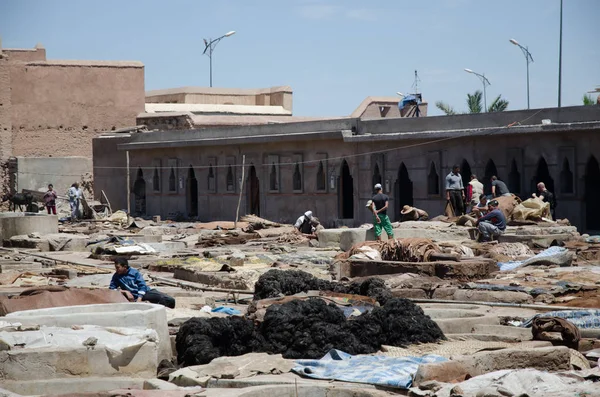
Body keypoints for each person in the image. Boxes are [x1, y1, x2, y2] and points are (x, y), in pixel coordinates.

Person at [110, 257, 175, 308]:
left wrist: (139, 298)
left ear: (125, 267)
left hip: (144, 293)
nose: (116, 270)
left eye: (118, 268)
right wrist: (125, 292)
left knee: (168, 299)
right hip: (131, 296)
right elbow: (111, 288)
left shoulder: (134, 273)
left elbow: (142, 286)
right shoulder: (116, 276)